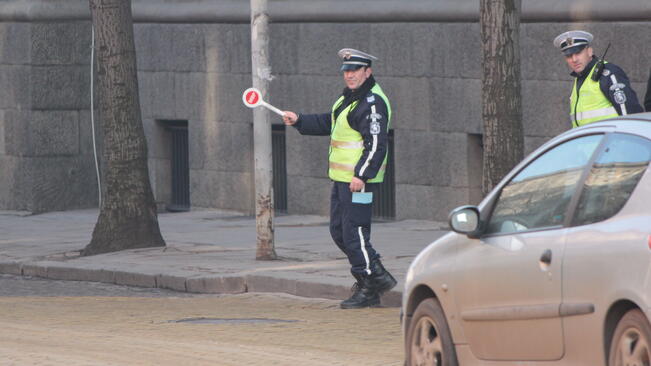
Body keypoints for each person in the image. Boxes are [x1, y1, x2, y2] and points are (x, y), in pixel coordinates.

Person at [282, 48, 396, 309]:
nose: (349, 75)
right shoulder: (351, 98)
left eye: (355, 70)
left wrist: (362, 175)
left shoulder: (372, 102)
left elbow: (376, 143)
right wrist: (299, 120)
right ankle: (373, 278)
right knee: (340, 233)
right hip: (342, 179)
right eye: (346, 70)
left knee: (354, 232)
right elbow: (330, 123)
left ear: (368, 72)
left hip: (358, 182)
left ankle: (371, 282)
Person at [553, 30, 643, 128]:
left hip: (610, 141)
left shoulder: (607, 73)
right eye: (569, 56)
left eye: (578, 53)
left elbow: (630, 113)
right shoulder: (579, 79)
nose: (574, 59)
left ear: (589, 51)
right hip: (590, 141)